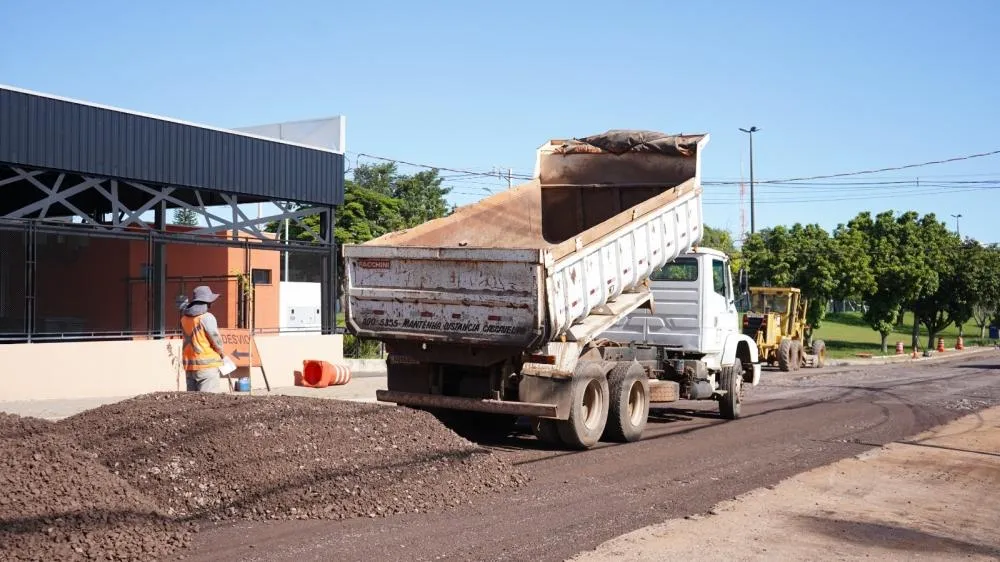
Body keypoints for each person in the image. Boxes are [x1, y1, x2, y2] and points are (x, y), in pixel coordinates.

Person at [179, 285, 226, 392]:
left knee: (193, 404)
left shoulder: (184, 318)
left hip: (190, 367)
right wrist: (221, 353)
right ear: (207, 302)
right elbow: (215, 339)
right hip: (207, 367)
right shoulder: (207, 317)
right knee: (208, 404)